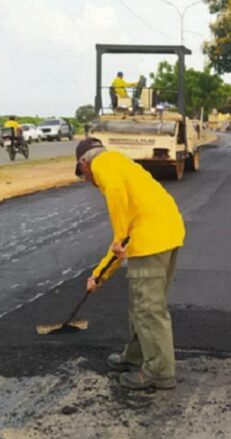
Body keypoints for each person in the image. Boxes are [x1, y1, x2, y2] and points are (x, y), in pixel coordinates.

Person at [74, 138, 185, 390]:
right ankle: (135, 356)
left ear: (84, 162)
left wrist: (118, 234)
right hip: (166, 232)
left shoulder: (103, 164)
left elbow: (114, 193)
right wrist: (98, 276)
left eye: (83, 174)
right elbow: (120, 249)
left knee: (148, 308)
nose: (88, 181)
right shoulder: (120, 162)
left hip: (152, 239)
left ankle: (159, 372)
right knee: (141, 305)